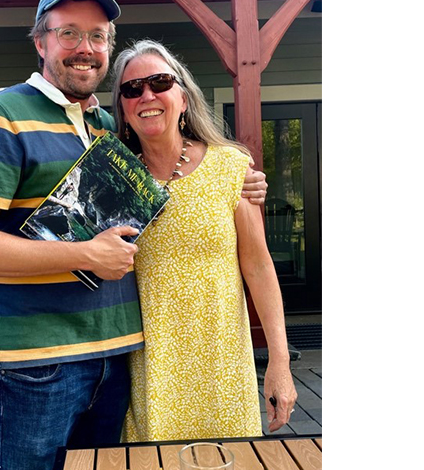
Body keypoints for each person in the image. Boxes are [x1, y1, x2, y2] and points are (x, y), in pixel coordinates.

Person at [0, 0, 268, 470]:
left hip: (121, 362)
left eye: (97, 36)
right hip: (39, 366)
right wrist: (83, 254)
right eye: (68, 33)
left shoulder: (108, 127)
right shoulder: (1, 114)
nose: (85, 49)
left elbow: (174, 170)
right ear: (41, 41)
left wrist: (240, 182)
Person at [110, 39, 297, 442]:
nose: (147, 95)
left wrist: (279, 361)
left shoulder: (230, 167)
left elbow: (259, 267)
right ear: (122, 109)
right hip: (151, 372)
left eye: (160, 82)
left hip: (224, 366)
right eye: (132, 88)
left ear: (184, 95)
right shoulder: (113, 183)